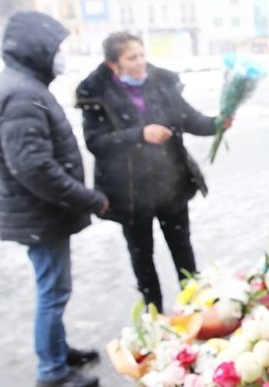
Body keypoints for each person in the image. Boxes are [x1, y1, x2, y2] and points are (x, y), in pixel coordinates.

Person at [0, 11, 108, 387]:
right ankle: (51, 372)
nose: (60, 55)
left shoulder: (23, 85)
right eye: (55, 48)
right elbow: (34, 167)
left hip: (40, 212)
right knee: (53, 291)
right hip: (39, 213)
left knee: (53, 288)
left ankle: (57, 350)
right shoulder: (20, 93)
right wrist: (88, 198)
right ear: (35, 48)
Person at [76, 32, 232, 313]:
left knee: (182, 249)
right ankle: (154, 316)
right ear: (114, 65)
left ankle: (194, 308)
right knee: (142, 257)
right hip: (131, 193)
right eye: (131, 58)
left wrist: (218, 124)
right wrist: (140, 135)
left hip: (170, 184)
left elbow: (190, 119)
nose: (140, 62)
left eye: (141, 54)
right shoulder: (97, 94)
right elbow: (96, 143)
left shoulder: (161, 83)